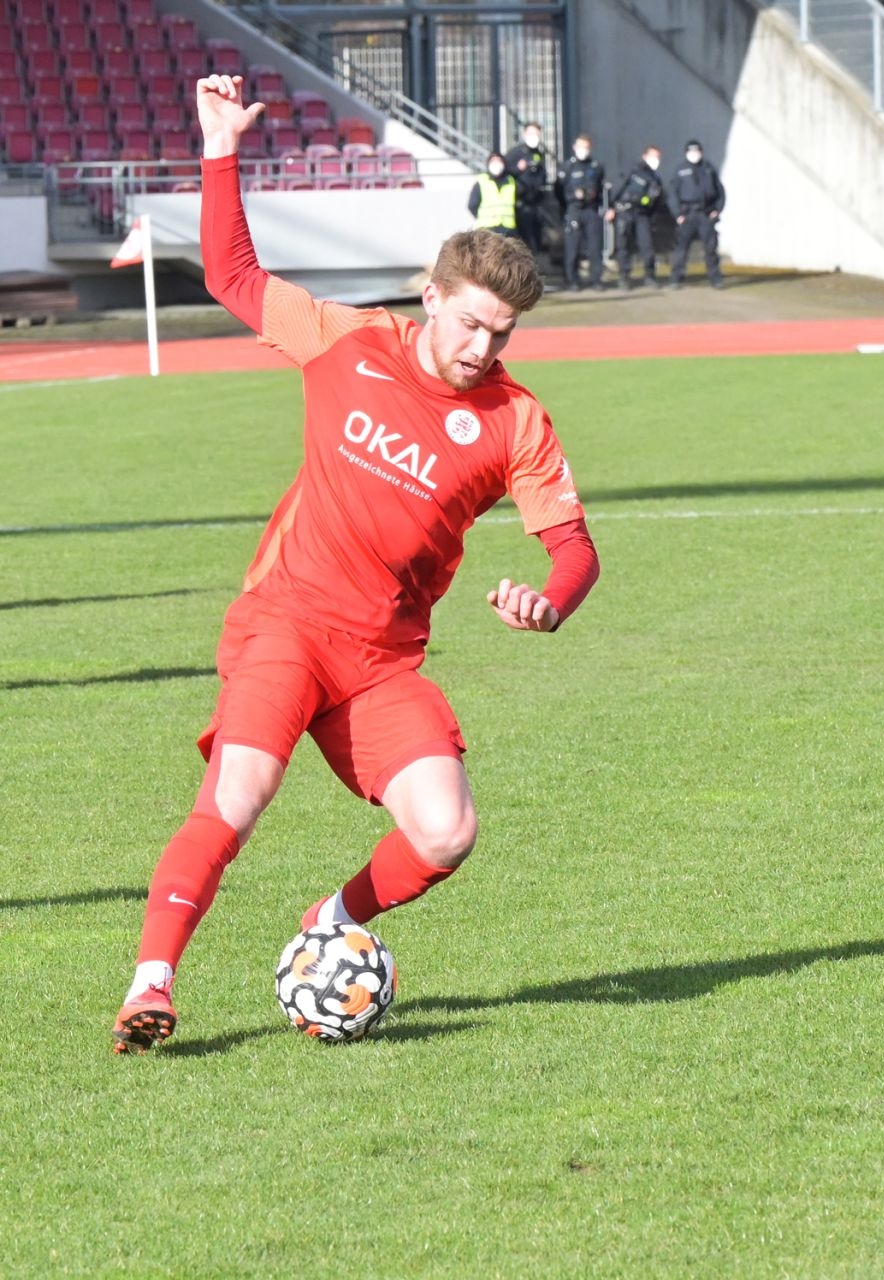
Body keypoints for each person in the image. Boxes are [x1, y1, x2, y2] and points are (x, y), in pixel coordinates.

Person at [110, 74, 601, 1054]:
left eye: (502, 334)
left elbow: (573, 547)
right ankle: (150, 982)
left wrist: (551, 601)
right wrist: (220, 149)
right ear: (431, 297)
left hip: (381, 662)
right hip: (286, 624)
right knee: (238, 798)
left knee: (446, 830)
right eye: (469, 323)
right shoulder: (348, 340)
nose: (482, 348)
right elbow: (232, 275)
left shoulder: (515, 419)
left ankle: (329, 922)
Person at [667, 138, 726, 290]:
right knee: (681, 249)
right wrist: (677, 214)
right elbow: (672, 194)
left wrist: (717, 210)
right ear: (686, 153)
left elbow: (720, 192)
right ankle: (676, 279)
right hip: (687, 215)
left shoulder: (709, 169)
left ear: (701, 152)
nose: (694, 154)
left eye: (697, 151)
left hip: (706, 214)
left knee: (710, 248)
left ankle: (715, 279)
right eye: (691, 151)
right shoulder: (680, 170)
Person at [608, 145, 666, 289]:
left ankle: (650, 276)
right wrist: (611, 207)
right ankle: (624, 277)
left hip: (642, 215)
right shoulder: (633, 171)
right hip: (625, 212)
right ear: (645, 156)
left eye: (658, 157)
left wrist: (651, 215)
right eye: (653, 156)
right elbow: (618, 188)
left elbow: (656, 201)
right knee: (624, 246)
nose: (656, 160)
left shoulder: (656, 179)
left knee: (647, 246)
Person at [558, 134, 608, 291]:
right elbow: (558, 190)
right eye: (580, 147)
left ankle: (596, 279)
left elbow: (603, 189)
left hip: (591, 210)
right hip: (574, 209)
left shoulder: (596, 166)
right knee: (572, 247)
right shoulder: (567, 167)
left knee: (595, 247)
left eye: (586, 147)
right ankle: (572, 280)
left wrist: (604, 206)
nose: (583, 150)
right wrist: (571, 199)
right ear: (574, 147)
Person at [503, 122, 552, 259]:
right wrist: (518, 169)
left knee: (536, 239)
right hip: (521, 203)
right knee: (523, 241)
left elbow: (541, 174)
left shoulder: (538, 153)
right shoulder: (516, 153)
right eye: (531, 133)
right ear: (524, 134)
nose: (534, 137)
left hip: (536, 202)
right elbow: (504, 173)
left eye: (536, 134)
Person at [468, 152, 519, 236]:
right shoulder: (482, 181)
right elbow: (472, 205)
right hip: (486, 229)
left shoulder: (511, 181)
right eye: (493, 161)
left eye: (499, 161)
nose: (496, 164)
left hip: (508, 229)